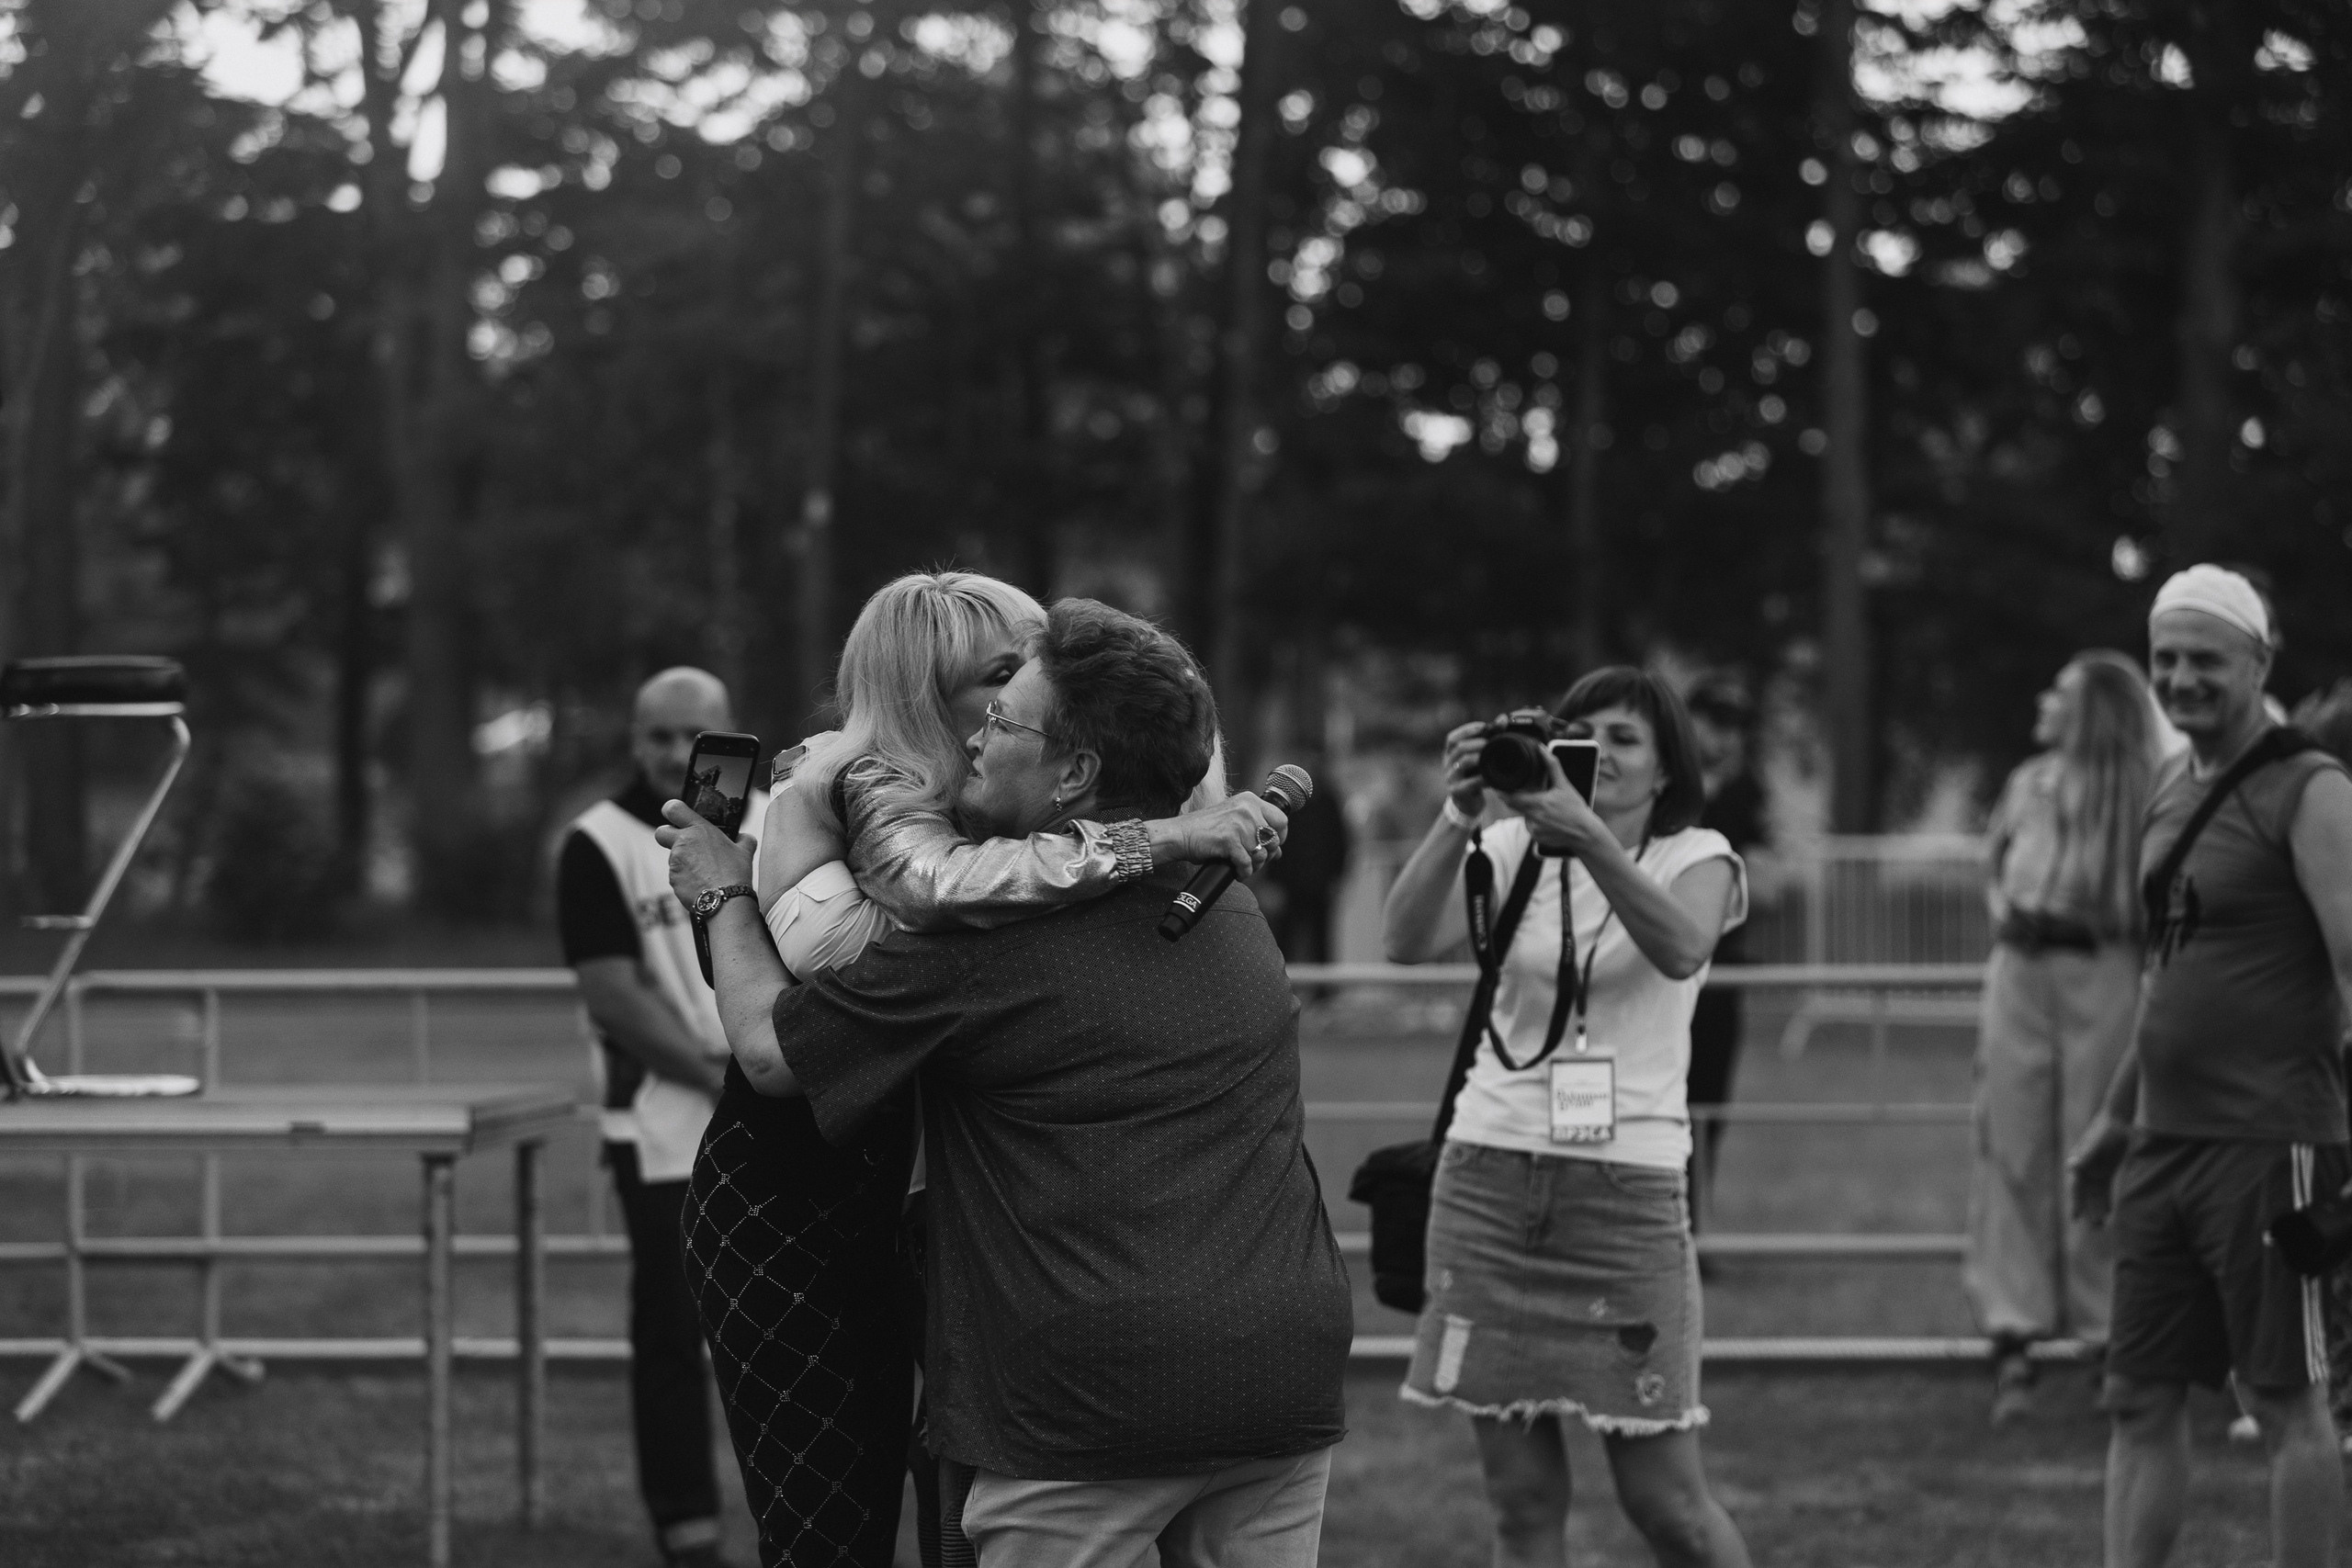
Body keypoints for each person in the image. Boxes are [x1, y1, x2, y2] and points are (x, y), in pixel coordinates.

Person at [670, 598, 1352, 1568]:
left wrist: (721, 888)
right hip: (1283, 1363)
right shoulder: (1228, 905)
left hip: (1091, 1396)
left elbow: (772, 1055)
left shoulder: (980, 950)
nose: (978, 742)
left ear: (1075, 772)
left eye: (1003, 718)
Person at [1382, 667, 1754, 1568]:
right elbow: (1402, 942)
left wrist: (1585, 837)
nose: (1600, 757)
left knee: (1666, 1504)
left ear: (1668, 769)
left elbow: (1681, 947)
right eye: (1580, 737)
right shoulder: (1509, 849)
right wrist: (1458, 813)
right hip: (1487, 1180)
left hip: (1625, 1196)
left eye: (1624, 740)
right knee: (1520, 1501)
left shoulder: (1694, 855)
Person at [2068, 564, 2352, 1568]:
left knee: (2281, 1401)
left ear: (2259, 662)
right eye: (2166, 660)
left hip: (2273, 1140)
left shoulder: (2311, 791)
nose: (2182, 679)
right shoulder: (2164, 789)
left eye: (2205, 660)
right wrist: (2110, 1124)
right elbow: (2164, 978)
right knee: (2138, 1395)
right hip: (2162, 1145)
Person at [556, 666, 759, 1568]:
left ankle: (800, 1517)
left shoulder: (771, 830)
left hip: (775, 1122)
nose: (674, 754)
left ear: (725, 736)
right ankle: (686, 1527)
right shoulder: (597, 841)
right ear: (635, 739)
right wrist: (731, 1072)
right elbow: (612, 993)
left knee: (793, 1337)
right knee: (673, 1337)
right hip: (666, 1130)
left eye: (691, 736)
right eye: (656, 736)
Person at [1966, 650, 2159, 1427]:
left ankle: (2106, 1330)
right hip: (2021, 967)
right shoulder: (2029, 781)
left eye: (2063, 691)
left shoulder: (2142, 790)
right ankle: (2012, 1327)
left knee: (2097, 1141)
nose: (2046, 699)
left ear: (2098, 709)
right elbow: (1994, 862)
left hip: (2102, 966)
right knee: (2009, 1135)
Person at [1682, 678, 1768, 1230]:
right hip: (1662, 967)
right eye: (1715, 721)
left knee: (1710, 1102)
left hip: (1721, 966)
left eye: (1734, 725)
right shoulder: (1663, 789)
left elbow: (1770, 881)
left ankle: (1697, 1225)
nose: (1725, 735)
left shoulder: (1745, 794)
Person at [1261, 754, 1351, 965]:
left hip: (1320, 884)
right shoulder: (1286, 803)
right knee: (1284, 938)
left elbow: (1340, 841)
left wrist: (1338, 876)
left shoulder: (1329, 801)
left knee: (1322, 940)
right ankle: (1282, 985)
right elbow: (1272, 838)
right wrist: (1272, 880)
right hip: (1289, 884)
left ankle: (1324, 991)